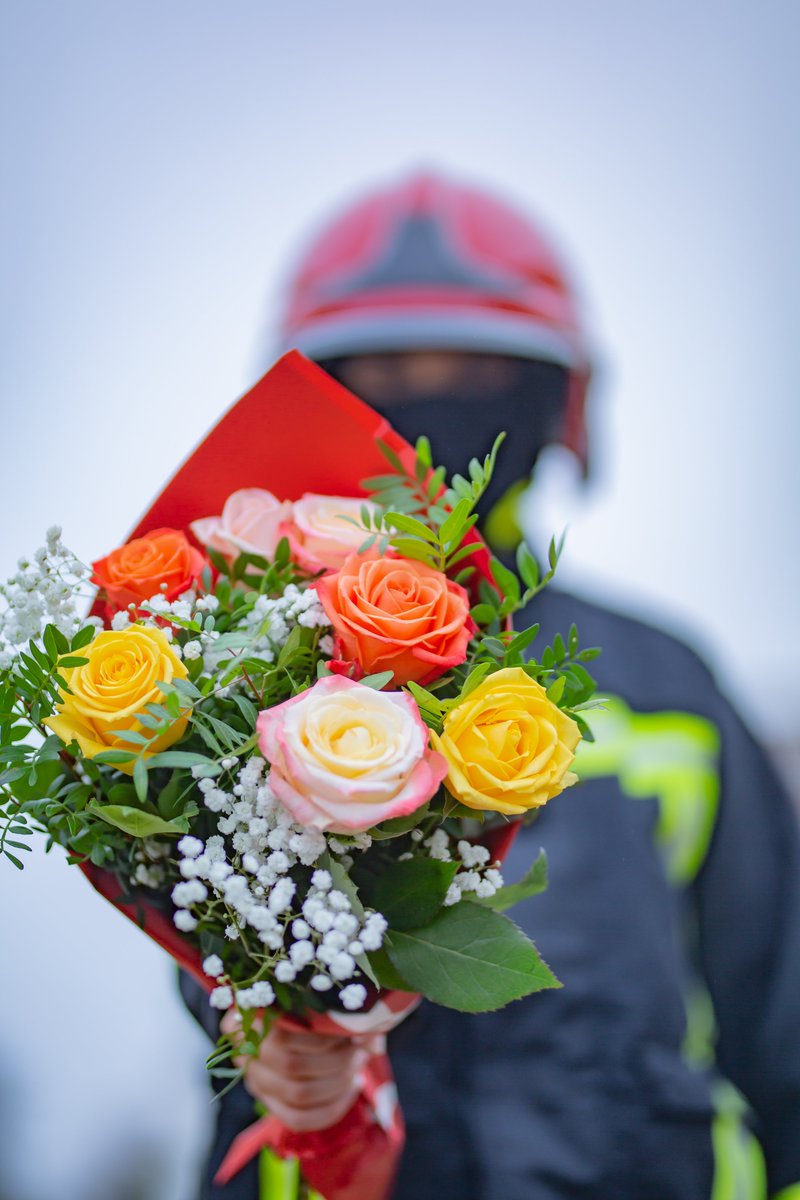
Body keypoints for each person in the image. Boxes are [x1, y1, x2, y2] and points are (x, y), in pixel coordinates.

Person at [183, 171, 800, 1199]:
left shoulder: (665, 684)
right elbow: (202, 969)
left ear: (550, 397)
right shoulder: (236, 678)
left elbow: (782, 1027)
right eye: (385, 374)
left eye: (471, 376)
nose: (428, 409)